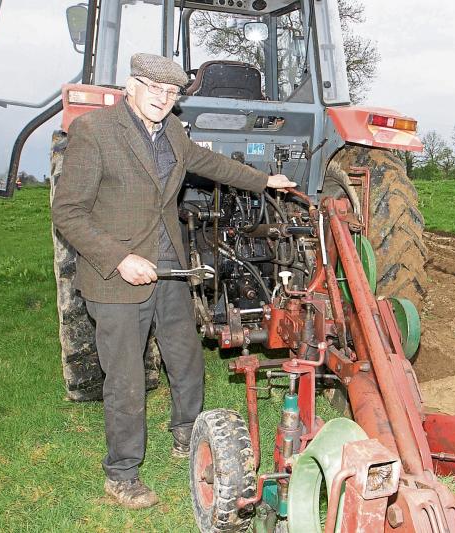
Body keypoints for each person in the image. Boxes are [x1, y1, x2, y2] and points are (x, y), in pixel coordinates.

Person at [52, 53, 296, 509]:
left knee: (185, 358)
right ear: (132, 85)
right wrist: (120, 258)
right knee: (124, 377)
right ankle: (122, 473)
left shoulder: (174, 133)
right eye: (154, 89)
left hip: (169, 268)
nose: (162, 99)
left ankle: (186, 430)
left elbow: (209, 163)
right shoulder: (95, 131)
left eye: (171, 93)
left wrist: (264, 181)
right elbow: (67, 212)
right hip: (118, 275)